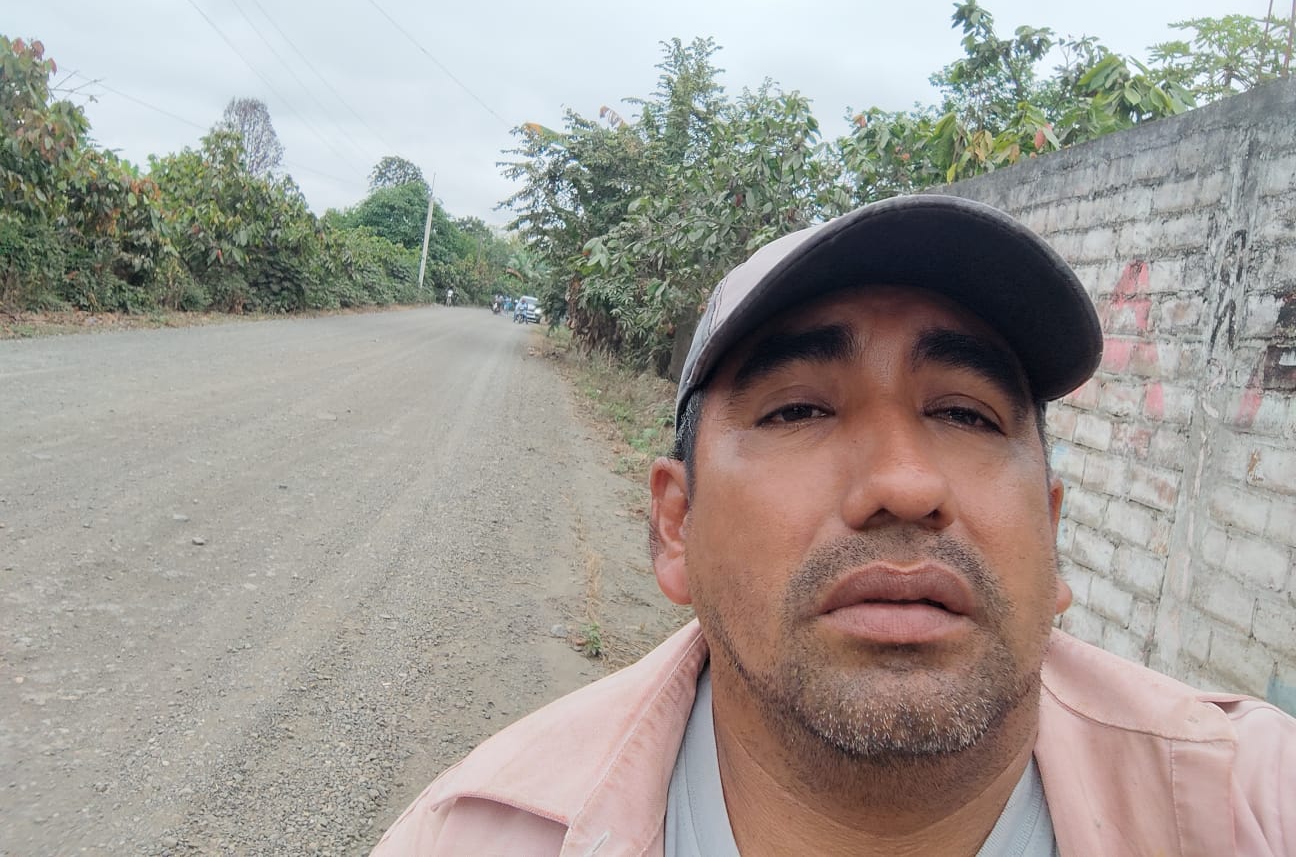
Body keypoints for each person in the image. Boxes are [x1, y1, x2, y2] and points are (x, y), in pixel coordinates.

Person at [372, 194, 1294, 856]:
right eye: (799, 410)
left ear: (1051, 536)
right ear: (676, 527)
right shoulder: (472, 836)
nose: (904, 484)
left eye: (966, 414)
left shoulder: (1252, 806)